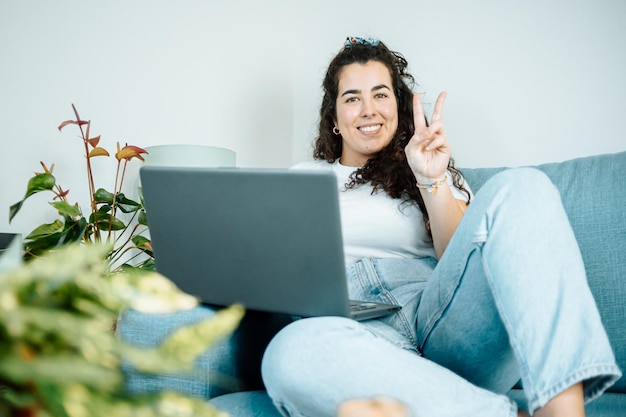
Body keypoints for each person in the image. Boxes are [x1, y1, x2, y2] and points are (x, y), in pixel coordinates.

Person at [260, 37, 621, 417]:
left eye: (380, 95)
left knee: (524, 186)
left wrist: (430, 179)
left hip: (440, 318)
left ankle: (562, 410)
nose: (368, 110)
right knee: (290, 352)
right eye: (352, 98)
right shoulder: (303, 178)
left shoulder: (430, 170)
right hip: (356, 334)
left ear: (398, 107)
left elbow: (459, 258)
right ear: (334, 118)